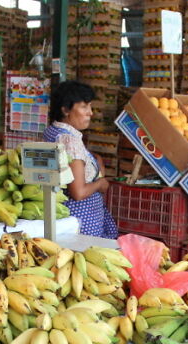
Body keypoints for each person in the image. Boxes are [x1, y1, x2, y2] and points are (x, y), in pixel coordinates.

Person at [44, 80, 118, 239]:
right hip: (83, 223)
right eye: (84, 107)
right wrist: (100, 183)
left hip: (63, 218)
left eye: (90, 106)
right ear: (65, 109)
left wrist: (93, 159)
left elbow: (71, 163)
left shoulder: (53, 131)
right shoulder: (71, 141)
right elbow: (78, 192)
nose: (90, 112)